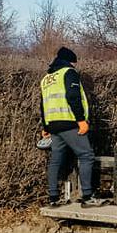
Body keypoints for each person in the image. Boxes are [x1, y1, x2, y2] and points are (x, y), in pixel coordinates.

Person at [40, 46, 105, 208]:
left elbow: (42, 104)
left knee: (55, 161)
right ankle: (87, 197)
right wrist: (81, 120)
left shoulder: (46, 79)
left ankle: (53, 198)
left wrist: (45, 126)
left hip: (53, 125)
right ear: (69, 61)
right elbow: (73, 96)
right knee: (86, 155)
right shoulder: (69, 72)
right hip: (69, 122)